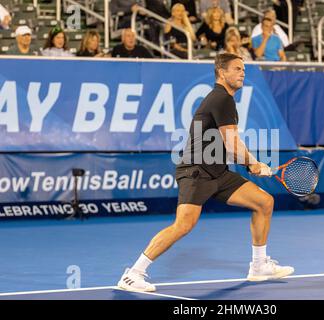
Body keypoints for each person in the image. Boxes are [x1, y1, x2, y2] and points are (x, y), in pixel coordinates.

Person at [117, 53, 294, 292]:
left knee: (264, 202)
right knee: (183, 225)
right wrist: (253, 164)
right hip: (196, 172)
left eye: (244, 69)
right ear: (222, 72)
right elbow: (232, 145)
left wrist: (252, 163)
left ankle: (259, 265)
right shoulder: (222, 99)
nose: (243, 73)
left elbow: (228, 145)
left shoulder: (223, 99)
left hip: (218, 172)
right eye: (237, 69)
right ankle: (133, 274)